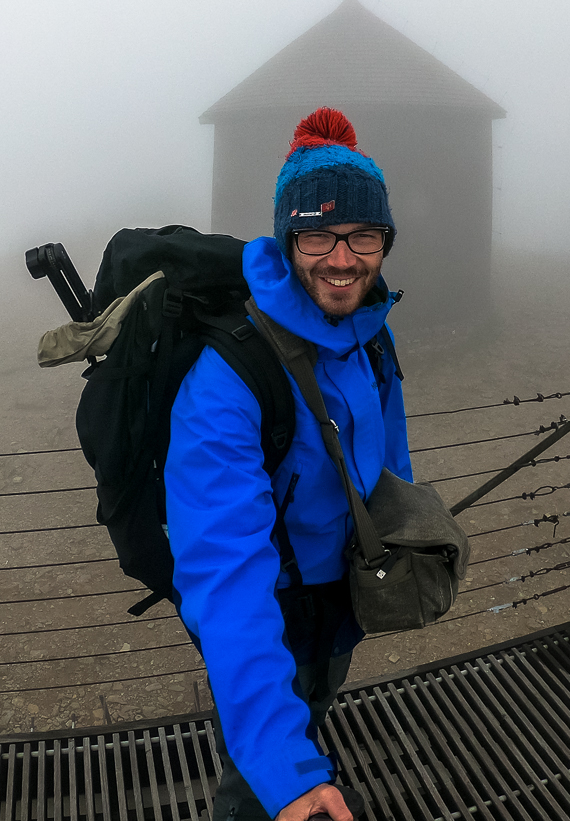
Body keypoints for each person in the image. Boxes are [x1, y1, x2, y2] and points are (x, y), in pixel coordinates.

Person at [164, 108, 410, 821]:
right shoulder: (228, 380)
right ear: (286, 237)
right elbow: (226, 573)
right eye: (317, 235)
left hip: (341, 601)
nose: (342, 259)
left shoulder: (371, 332)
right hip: (270, 615)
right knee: (257, 785)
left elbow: (389, 454)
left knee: (319, 697)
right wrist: (287, 767)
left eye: (364, 234)